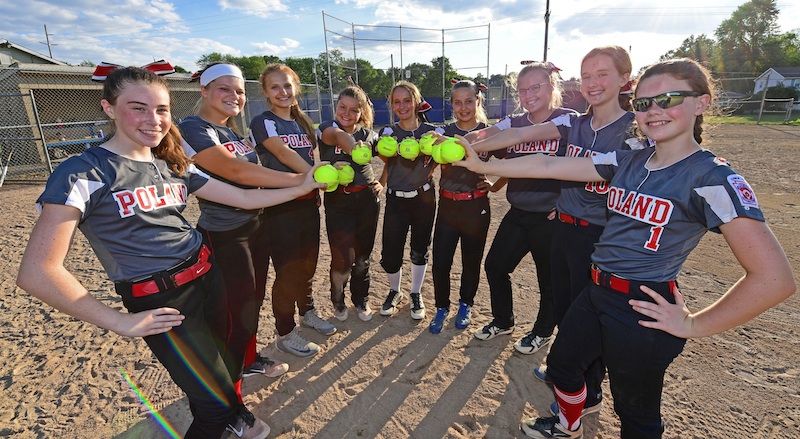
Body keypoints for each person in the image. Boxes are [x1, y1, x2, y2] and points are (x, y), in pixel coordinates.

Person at [456, 58, 795, 439]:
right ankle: (569, 424)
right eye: (644, 103)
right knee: (563, 367)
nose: (654, 111)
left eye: (668, 99)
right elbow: (550, 164)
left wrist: (693, 324)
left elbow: (774, 279)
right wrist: (477, 163)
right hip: (597, 290)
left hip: (642, 305)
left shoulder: (713, 177)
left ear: (701, 103)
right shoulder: (629, 160)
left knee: (635, 414)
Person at [16, 66, 326, 439]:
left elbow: (242, 197)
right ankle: (229, 415)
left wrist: (303, 184)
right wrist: (119, 321)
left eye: (161, 109)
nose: (153, 120)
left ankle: (236, 415)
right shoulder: (84, 171)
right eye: (138, 108)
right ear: (109, 108)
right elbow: (38, 271)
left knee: (224, 370)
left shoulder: (171, 161)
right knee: (214, 405)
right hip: (162, 302)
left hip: (209, 277)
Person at [469, 47, 640, 415]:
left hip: (597, 236)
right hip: (563, 226)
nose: (593, 83)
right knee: (567, 311)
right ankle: (570, 374)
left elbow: (547, 164)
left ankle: (589, 392)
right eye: (587, 76)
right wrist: (470, 147)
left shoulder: (633, 132)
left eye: (602, 75)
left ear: (625, 79)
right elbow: (514, 138)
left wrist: (477, 156)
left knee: (586, 316)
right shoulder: (573, 124)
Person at [179, 63, 297, 388]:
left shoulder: (232, 131)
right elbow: (237, 173)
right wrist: (302, 179)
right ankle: (228, 398)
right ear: (204, 91)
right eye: (225, 89)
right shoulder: (192, 128)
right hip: (224, 235)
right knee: (232, 314)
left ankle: (247, 361)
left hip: (253, 227)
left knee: (251, 303)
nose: (235, 96)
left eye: (240, 91)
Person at [464, 63, 577, 355]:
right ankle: (504, 320)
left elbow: (585, 166)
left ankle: (542, 331)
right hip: (519, 212)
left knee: (548, 280)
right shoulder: (513, 121)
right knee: (495, 266)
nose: (528, 95)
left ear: (552, 87)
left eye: (535, 88)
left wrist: (567, 203)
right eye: (522, 90)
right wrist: (458, 141)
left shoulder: (569, 120)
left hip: (551, 217)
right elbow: (486, 135)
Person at [249, 63, 335, 358]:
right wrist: (316, 176)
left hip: (306, 205)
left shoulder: (302, 122)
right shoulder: (263, 121)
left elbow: (310, 154)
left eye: (287, 85)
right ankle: (285, 333)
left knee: (307, 266)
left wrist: (315, 187)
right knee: (287, 273)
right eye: (275, 87)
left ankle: (307, 312)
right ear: (265, 92)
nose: (282, 92)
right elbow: (282, 153)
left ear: (295, 86)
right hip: (279, 208)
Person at [428, 79, 494, 333]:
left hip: (476, 207)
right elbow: (428, 163)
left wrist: (495, 185)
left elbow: (513, 159)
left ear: (478, 101)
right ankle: (441, 307)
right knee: (441, 262)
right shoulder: (443, 133)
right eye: (458, 102)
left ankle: (466, 303)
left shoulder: (489, 132)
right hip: (447, 206)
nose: (464, 107)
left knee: (471, 261)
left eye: (469, 101)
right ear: (452, 104)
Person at [377, 81, 444, 320]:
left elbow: (443, 157)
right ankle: (395, 291)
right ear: (392, 105)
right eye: (397, 102)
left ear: (416, 102)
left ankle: (415, 293)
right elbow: (385, 159)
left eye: (407, 100)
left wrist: (431, 162)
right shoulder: (388, 133)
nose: (402, 106)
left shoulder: (433, 131)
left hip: (424, 198)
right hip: (396, 199)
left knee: (419, 248)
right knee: (391, 251)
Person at [317, 86, 382, 322]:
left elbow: (390, 158)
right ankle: (337, 299)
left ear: (361, 112)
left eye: (354, 110)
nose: (347, 113)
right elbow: (337, 137)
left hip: (366, 199)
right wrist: (354, 147)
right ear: (336, 107)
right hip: (338, 201)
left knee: (363, 256)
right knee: (342, 258)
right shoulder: (326, 128)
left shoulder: (369, 134)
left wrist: (381, 182)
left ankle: (361, 299)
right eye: (342, 107)